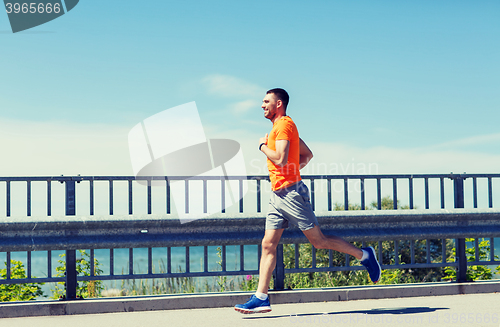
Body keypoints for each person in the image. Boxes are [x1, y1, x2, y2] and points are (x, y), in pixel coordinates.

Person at [234, 88, 381, 314]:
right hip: (277, 194)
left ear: (279, 103)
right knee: (267, 244)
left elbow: (281, 159)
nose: (262, 105)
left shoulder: (284, 125)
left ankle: (364, 255)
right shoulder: (279, 128)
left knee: (319, 241)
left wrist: (262, 147)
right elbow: (307, 155)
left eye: (266, 101)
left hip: (292, 194)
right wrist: (291, 169)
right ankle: (261, 297)